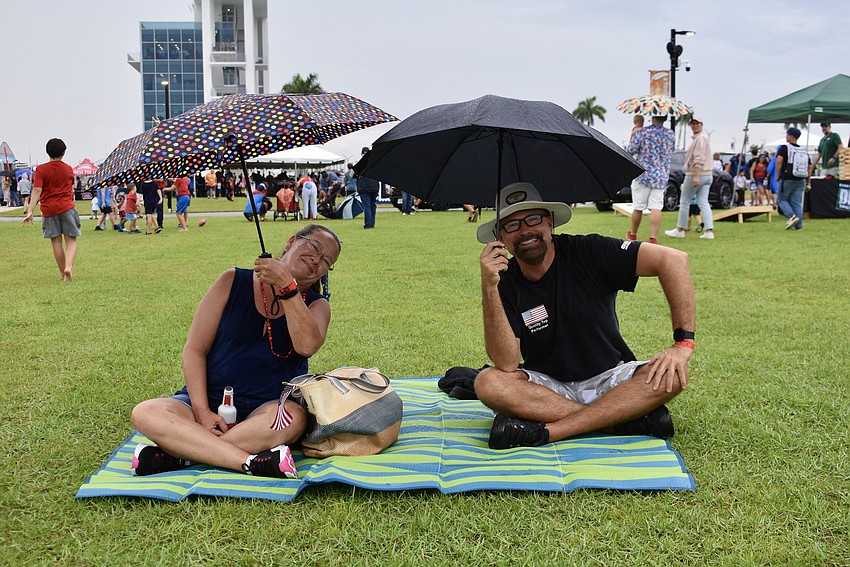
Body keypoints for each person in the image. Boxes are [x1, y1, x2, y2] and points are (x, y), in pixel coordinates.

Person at [475, 183, 694, 449]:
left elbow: (673, 260)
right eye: (511, 225)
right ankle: (618, 421)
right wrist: (489, 287)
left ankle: (551, 432)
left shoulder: (589, 250)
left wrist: (683, 345)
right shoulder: (503, 280)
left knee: (673, 374)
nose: (524, 231)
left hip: (611, 378)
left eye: (533, 219)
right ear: (500, 237)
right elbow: (507, 363)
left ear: (550, 222)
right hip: (547, 389)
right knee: (488, 383)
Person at [130, 224, 342, 477]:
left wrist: (287, 285)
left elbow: (306, 346)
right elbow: (195, 350)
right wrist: (202, 412)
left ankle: (181, 456)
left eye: (326, 260)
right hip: (207, 401)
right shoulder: (232, 281)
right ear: (291, 242)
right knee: (146, 412)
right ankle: (251, 462)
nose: (316, 259)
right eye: (314, 247)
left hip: (268, 410)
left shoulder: (317, 306)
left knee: (294, 418)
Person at [21, 138, 81, 282]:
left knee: (56, 242)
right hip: (66, 206)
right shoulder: (68, 169)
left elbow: (37, 190)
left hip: (49, 209)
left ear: (47, 152)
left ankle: (62, 273)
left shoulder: (41, 169)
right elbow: (71, 189)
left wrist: (30, 210)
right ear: (64, 152)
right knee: (71, 239)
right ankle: (68, 267)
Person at [626, 115, 675, 243]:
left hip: (643, 175)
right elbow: (672, 150)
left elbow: (630, 150)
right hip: (661, 176)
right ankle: (653, 237)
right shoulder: (670, 134)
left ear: (653, 117)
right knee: (656, 207)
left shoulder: (643, 132)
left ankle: (633, 234)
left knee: (638, 207)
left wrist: (634, 133)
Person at [665, 115, 715, 240]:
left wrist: (696, 175)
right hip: (707, 174)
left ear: (701, 125)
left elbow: (699, 159)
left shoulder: (700, 139)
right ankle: (709, 231)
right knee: (703, 202)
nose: (694, 125)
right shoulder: (702, 138)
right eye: (692, 123)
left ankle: (680, 229)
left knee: (685, 201)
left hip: (696, 173)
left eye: (697, 123)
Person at [775, 127, 811, 230]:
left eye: (787, 134)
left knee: (781, 199)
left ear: (791, 136)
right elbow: (809, 166)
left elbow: (779, 161)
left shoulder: (785, 148)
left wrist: (777, 175)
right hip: (801, 179)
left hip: (788, 178)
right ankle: (799, 226)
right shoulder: (803, 150)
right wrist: (808, 181)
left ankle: (792, 216)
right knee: (796, 202)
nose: (786, 136)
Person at [356, 147, 381, 229]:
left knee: (366, 205)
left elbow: (352, 174)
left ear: (362, 154)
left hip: (363, 187)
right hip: (374, 186)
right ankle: (372, 223)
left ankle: (368, 224)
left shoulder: (360, 163)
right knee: (373, 204)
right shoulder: (375, 163)